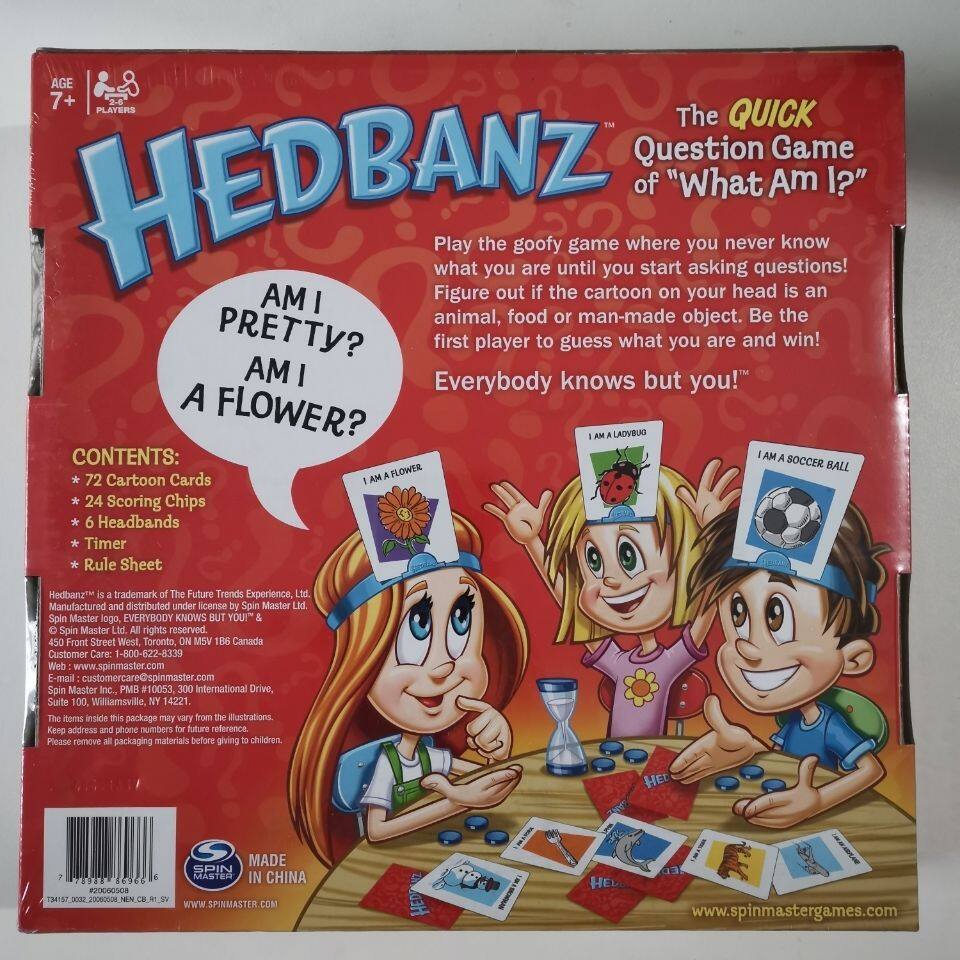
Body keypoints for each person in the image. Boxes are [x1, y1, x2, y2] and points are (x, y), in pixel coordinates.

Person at [288, 511, 528, 867]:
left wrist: (496, 751)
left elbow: (477, 774)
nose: (443, 666)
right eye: (417, 628)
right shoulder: (388, 763)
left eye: (461, 619)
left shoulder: (429, 751)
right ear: (364, 659)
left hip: (433, 853)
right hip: (384, 866)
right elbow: (377, 832)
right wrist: (459, 800)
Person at [669, 501, 888, 829]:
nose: (748, 647)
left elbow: (872, 770)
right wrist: (746, 749)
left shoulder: (830, 725)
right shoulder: (793, 721)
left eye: (776, 617)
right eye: (739, 614)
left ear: (854, 658)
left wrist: (818, 801)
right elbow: (780, 759)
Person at [484, 458, 738, 738]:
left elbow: (706, 609)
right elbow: (566, 599)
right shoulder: (617, 661)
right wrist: (532, 542)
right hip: (613, 754)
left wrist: (716, 536)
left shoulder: (669, 662)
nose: (611, 581)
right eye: (593, 561)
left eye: (629, 557)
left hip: (653, 757)